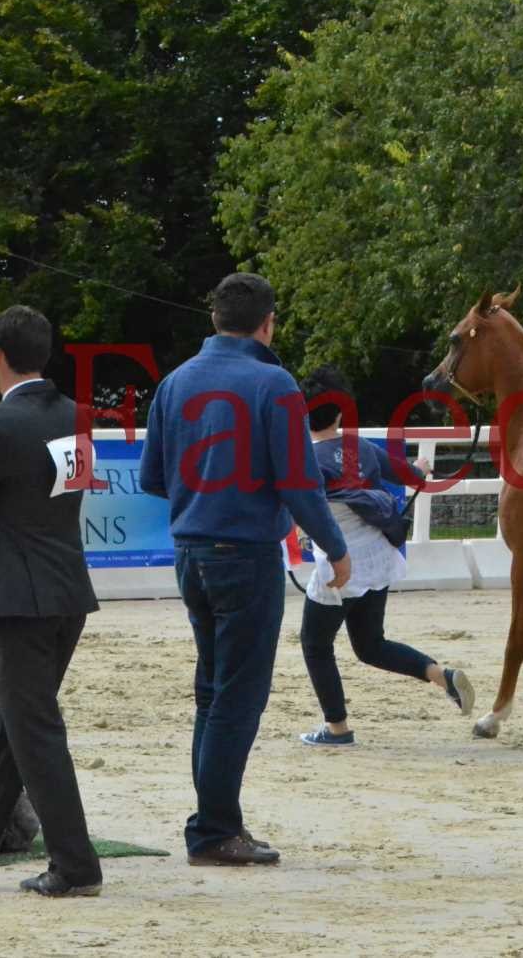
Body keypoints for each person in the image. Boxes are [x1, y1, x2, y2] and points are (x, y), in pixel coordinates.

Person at [140, 273, 351, 867]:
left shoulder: (175, 382)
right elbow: (298, 482)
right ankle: (213, 830)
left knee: (211, 691)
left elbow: (153, 478)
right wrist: (334, 547)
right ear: (268, 323)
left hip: (190, 552)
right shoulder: (274, 383)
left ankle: (210, 823)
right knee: (238, 694)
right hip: (244, 554)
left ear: (215, 318)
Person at [294, 365, 474, 747]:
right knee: (370, 644)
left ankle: (338, 728)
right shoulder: (360, 448)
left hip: (339, 565)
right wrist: (421, 467)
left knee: (314, 644)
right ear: (341, 412)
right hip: (378, 557)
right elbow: (412, 475)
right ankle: (441, 674)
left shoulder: (304, 461)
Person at [0, 305, 103, 897]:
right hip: (67, 588)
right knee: (14, 720)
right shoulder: (75, 416)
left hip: (19, 598)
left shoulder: (4, 426)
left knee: (33, 728)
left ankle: (75, 865)